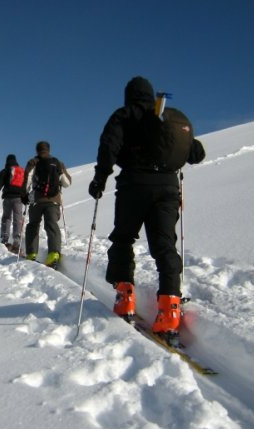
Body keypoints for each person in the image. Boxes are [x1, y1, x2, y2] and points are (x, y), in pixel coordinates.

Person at [88, 76, 206, 343]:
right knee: (165, 245)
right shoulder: (165, 116)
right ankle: (169, 309)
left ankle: (126, 297)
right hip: (167, 188)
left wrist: (100, 179)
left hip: (134, 186)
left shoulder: (124, 114)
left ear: (128, 95)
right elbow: (196, 154)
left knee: (123, 238)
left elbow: (109, 147)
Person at [22, 141, 72, 268]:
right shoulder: (57, 163)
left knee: (33, 225)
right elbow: (67, 183)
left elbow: (26, 179)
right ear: (49, 149)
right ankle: (54, 254)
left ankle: (31, 254)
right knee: (52, 225)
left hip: (36, 201)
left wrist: (24, 195)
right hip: (54, 200)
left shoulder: (33, 162)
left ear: (37, 150)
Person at [0, 154, 25, 253]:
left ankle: (5, 239)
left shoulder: (5, 171)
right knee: (18, 218)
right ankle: (17, 241)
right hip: (19, 198)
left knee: (7, 217)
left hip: (8, 198)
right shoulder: (21, 171)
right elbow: (26, 184)